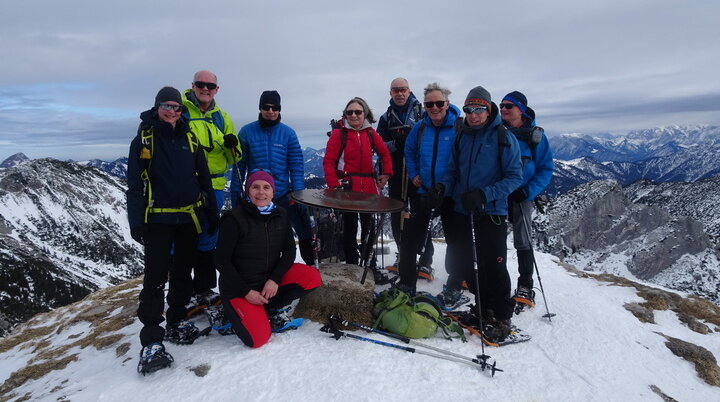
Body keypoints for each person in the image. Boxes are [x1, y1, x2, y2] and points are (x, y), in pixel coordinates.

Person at [127, 86, 219, 374]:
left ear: (182, 110)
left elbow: (204, 178)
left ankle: (177, 320)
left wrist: (212, 212)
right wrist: (136, 221)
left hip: (189, 218)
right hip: (157, 219)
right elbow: (134, 184)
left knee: (182, 272)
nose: (171, 111)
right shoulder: (144, 139)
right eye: (166, 106)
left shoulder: (189, 138)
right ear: (156, 107)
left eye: (176, 107)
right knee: (155, 277)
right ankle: (151, 339)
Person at [432, 86, 522, 343]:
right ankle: (483, 309)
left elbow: (515, 177)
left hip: (491, 210)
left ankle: (502, 317)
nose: (473, 115)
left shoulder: (503, 137)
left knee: (493, 264)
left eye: (479, 109)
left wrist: (485, 194)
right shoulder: (463, 135)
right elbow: (452, 172)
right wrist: (442, 187)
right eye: (469, 109)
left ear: (488, 109)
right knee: (464, 262)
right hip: (462, 208)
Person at [211, 170, 322, 348]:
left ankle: (267, 309)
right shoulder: (234, 219)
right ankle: (230, 312)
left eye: (266, 187)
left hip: (268, 280)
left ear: (273, 192)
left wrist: (274, 279)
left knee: (312, 277)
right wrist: (246, 292)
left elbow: (289, 251)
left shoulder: (281, 214)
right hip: (240, 287)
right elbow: (221, 261)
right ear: (248, 190)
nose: (261, 192)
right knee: (258, 339)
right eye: (255, 187)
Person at [230, 90, 314, 265]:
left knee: (303, 230)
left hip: (283, 193)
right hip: (257, 197)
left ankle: (311, 266)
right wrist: (236, 191)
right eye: (266, 107)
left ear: (279, 109)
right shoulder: (246, 132)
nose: (270, 111)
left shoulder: (288, 133)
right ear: (260, 108)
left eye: (274, 107)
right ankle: (261, 270)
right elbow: (240, 163)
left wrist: (298, 194)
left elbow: (296, 164)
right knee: (260, 237)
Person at [182, 70, 239, 312]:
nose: (205, 88)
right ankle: (182, 292)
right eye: (200, 84)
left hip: (215, 185)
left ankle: (204, 289)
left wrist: (232, 146)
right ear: (193, 85)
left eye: (210, 85)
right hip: (186, 185)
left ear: (216, 90)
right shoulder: (181, 112)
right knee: (183, 237)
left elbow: (235, 157)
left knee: (208, 235)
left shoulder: (222, 118)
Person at [397, 83, 460, 294]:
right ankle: (406, 284)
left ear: (447, 104)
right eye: (429, 104)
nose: (434, 108)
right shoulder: (421, 127)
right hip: (424, 191)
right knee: (409, 241)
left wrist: (448, 186)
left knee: (456, 242)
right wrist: (414, 174)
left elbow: (464, 160)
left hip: (451, 194)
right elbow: (410, 150)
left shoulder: (459, 127)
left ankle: (455, 284)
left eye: (439, 103)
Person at [322, 97, 394, 282]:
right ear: (345, 115)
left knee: (368, 229)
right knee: (350, 229)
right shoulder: (339, 134)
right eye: (350, 112)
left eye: (358, 112)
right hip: (347, 188)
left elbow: (385, 153)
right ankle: (354, 266)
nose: (354, 115)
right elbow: (329, 161)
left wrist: (386, 174)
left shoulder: (371, 133)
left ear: (365, 114)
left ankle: (369, 264)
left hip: (368, 189)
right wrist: (334, 185)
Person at [500, 91, 554, 309]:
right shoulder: (497, 132)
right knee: (493, 239)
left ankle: (525, 285)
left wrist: (528, 192)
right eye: (502, 106)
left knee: (523, 240)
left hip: (521, 196)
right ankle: (495, 280)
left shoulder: (535, 136)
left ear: (520, 109)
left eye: (509, 106)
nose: (503, 109)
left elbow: (545, 168)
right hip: (499, 194)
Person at [376, 78, 427, 269]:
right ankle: (403, 255)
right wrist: (396, 144)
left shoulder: (421, 113)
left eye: (403, 90)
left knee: (420, 215)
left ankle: (424, 260)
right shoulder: (385, 117)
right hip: (396, 174)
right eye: (395, 90)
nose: (399, 93)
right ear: (390, 93)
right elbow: (379, 146)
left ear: (409, 91)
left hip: (418, 174)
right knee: (397, 216)